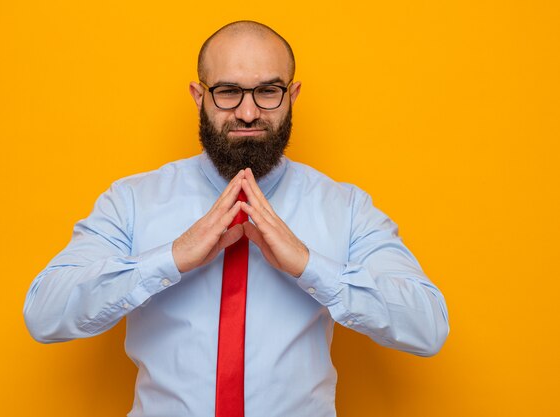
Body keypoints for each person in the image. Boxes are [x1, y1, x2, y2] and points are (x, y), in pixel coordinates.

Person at [24, 20, 449, 417]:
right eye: (228, 91)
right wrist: (169, 259)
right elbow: (44, 315)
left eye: (268, 91)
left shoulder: (346, 208)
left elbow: (427, 328)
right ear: (198, 95)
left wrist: (308, 265)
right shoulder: (133, 201)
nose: (248, 113)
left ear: (293, 95)